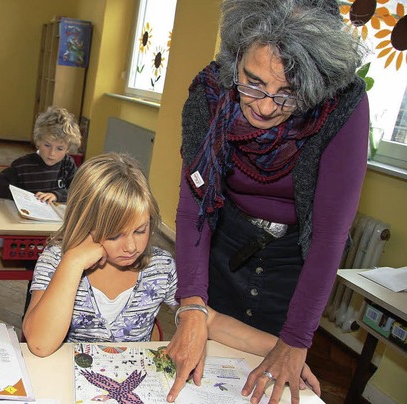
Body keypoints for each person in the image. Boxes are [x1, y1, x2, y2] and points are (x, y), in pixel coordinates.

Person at [168, 0, 368, 402]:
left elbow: (329, 236)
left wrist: (295, 341)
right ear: (236, 58)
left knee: (270, 379)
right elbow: (195, 205)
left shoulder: (342, 105)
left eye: (287, 94)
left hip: (294, 260)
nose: (263, 105)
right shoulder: (210, 93)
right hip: (226, 242)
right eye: (253, 82)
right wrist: (191, 305)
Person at [21, 153, 320, 396]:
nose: (132, 246)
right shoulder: (57, 261)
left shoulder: (159, 266)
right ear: (86, 226)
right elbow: (40, 343)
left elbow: (209, 320)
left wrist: (283, 349)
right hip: (64, 387)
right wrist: (72, 264)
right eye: (115, 235)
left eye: (141, 230)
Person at [0, 106, 81, 203]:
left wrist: (57, 195)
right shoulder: (22, 165)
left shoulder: (68, 164)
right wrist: (22, 195)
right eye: (47, 145)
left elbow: (80, 191)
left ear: (67, 149)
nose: (52, 153)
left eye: (59, 148)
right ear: (38, 141)